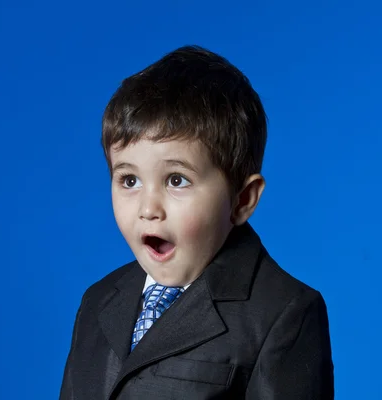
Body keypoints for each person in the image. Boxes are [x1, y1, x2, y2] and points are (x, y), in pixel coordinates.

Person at [60, 45, 334, 399]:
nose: (148, 208)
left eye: (176, 180)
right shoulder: (97, 300)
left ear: (242, 200)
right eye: (129, 180)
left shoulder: (284, 315)